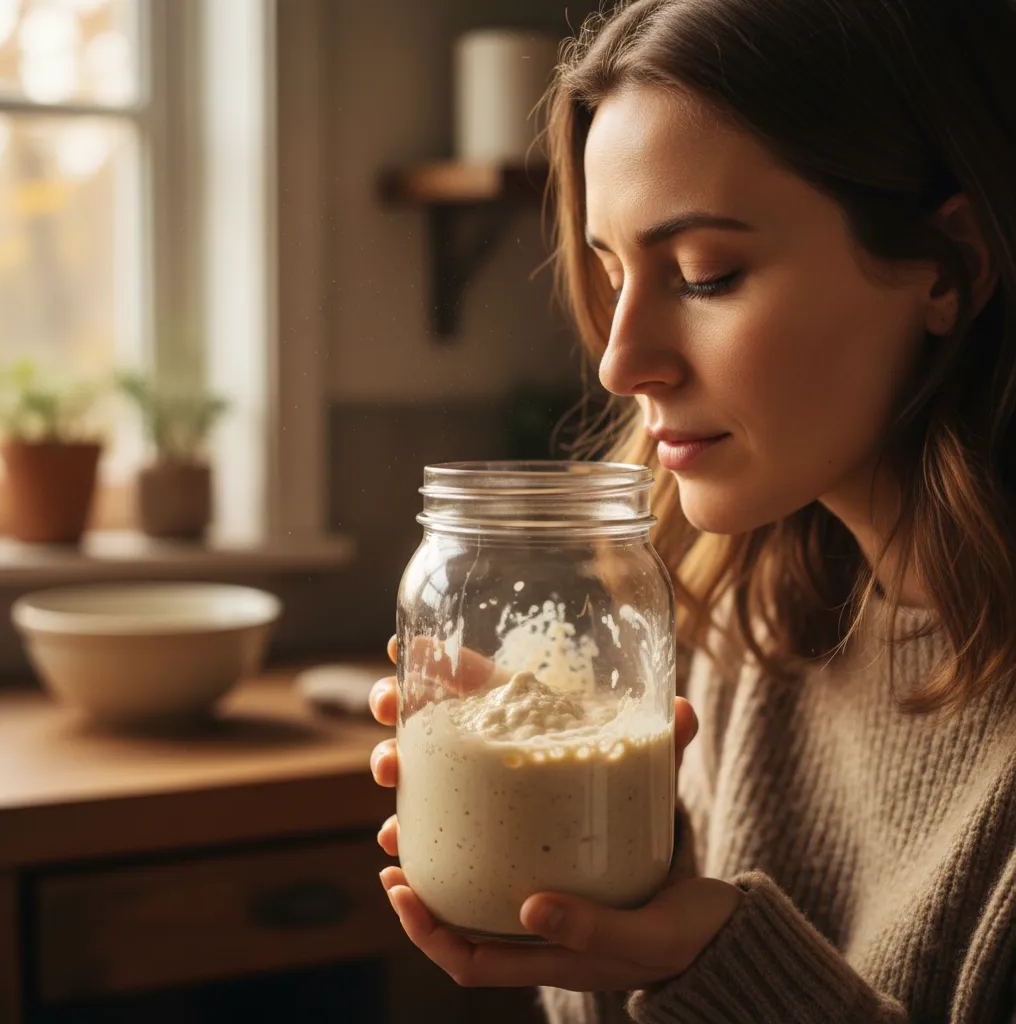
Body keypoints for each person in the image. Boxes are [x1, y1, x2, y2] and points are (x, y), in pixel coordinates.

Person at [368, 0, 1016, 1019]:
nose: (619, 359)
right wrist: (599, 901)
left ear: (950, 268)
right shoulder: (738, 628)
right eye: (613, 271)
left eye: (706, 274)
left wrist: (713, 964)